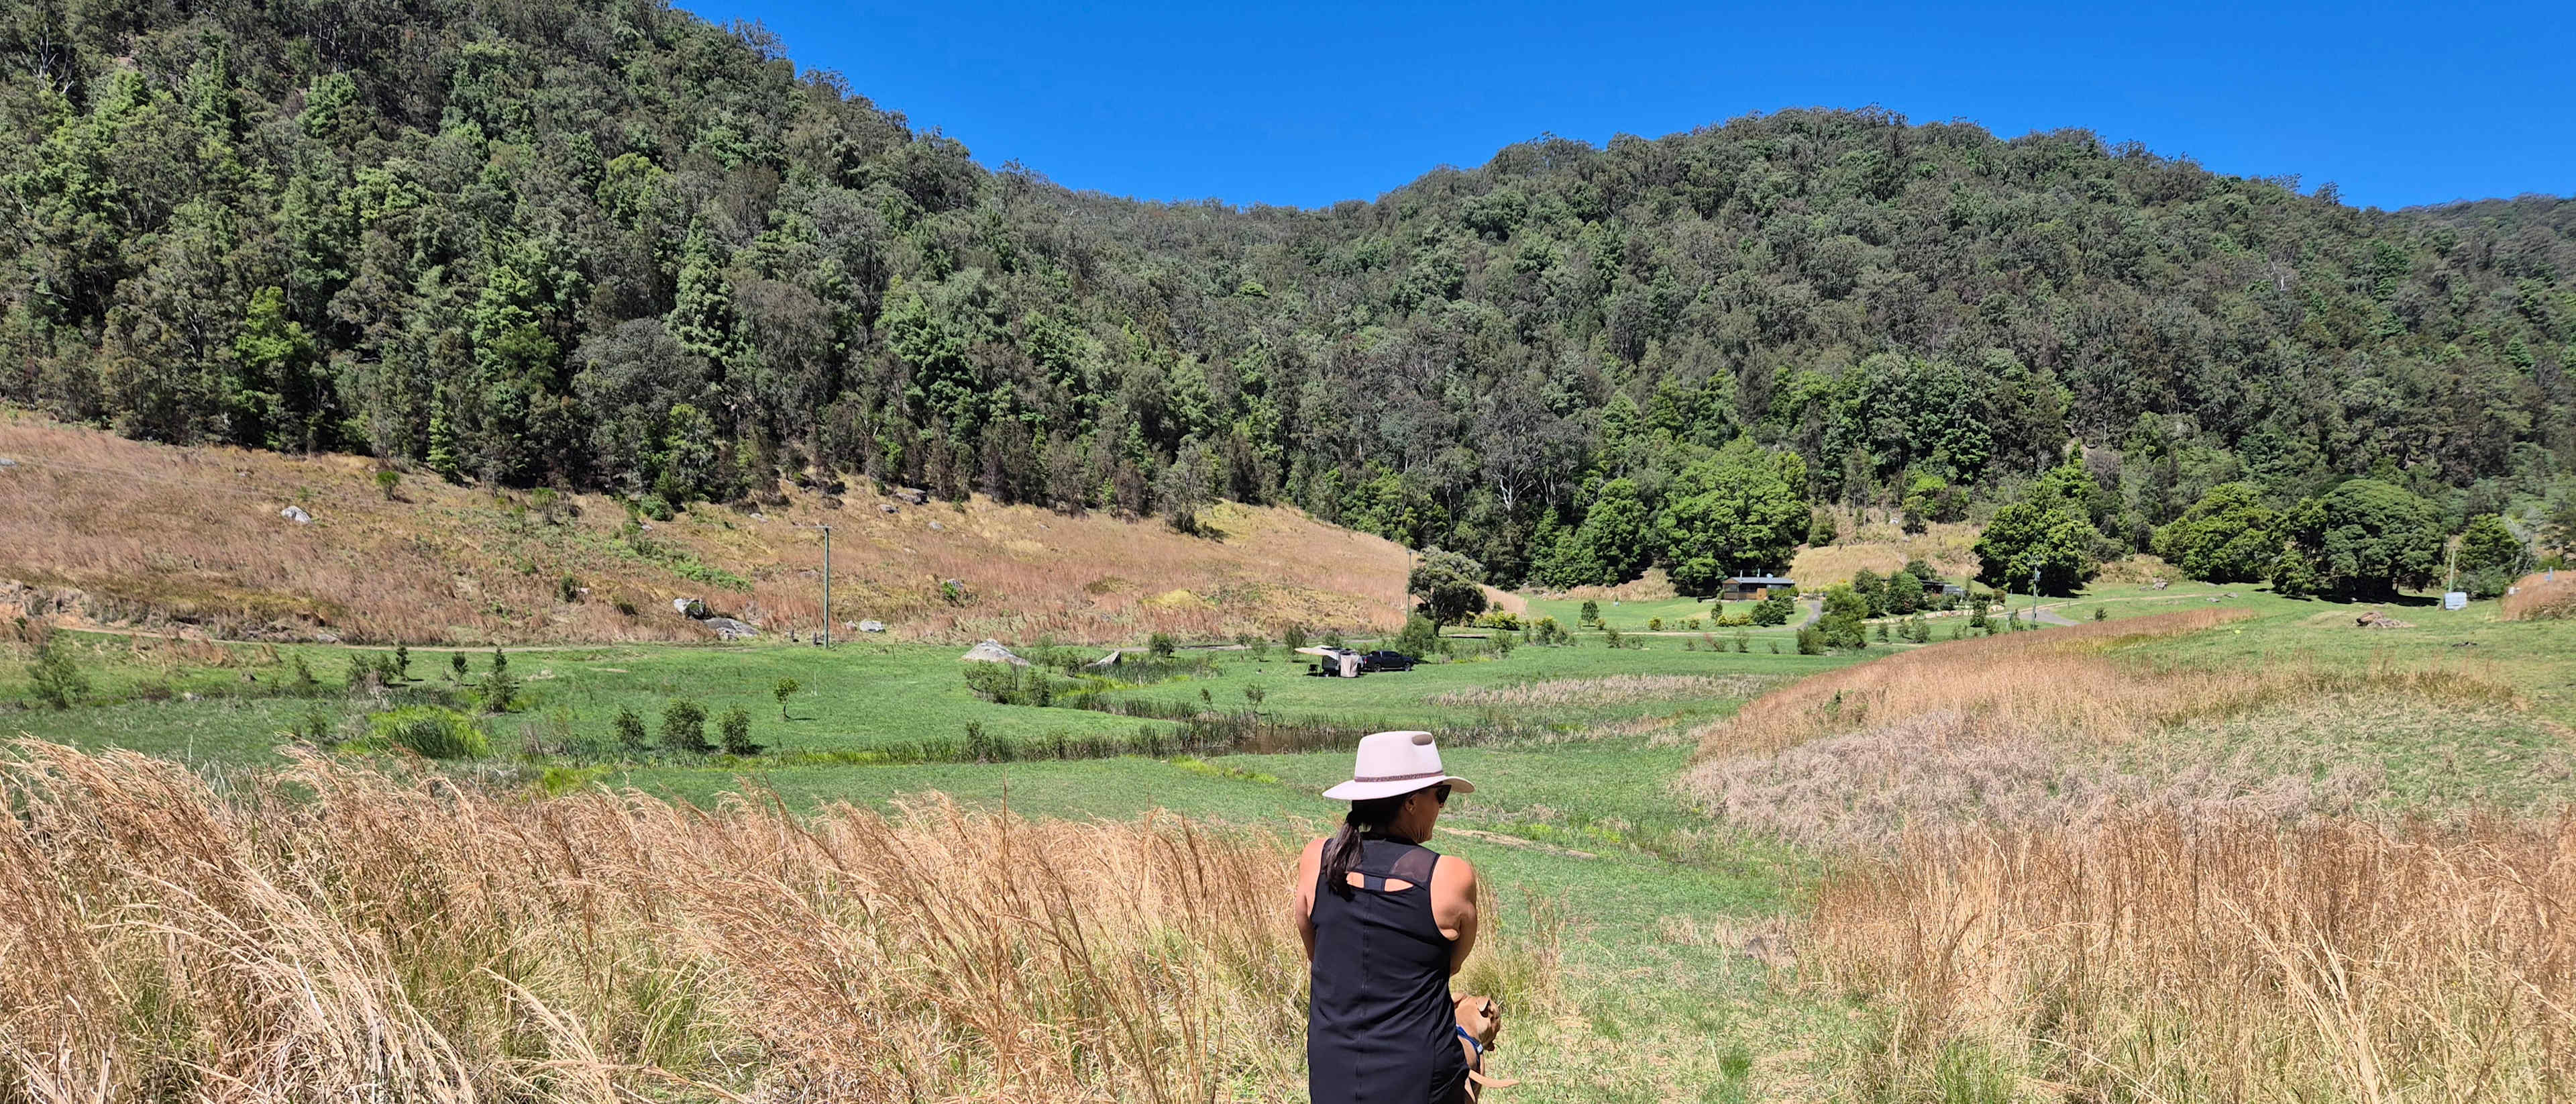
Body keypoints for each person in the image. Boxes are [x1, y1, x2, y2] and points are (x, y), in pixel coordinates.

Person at [1295, 730, 1481, 1103]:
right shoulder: (1449, 877)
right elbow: (1451, 967)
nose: (1442, 807)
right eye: (1440, 795)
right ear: (1411, 803)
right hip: (1418, 1078)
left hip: (1334, 1068)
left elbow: (1318, 953)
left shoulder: (1318, 859)